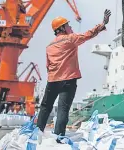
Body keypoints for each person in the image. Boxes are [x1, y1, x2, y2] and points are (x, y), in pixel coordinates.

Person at [37, 9, 111, 143]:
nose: (70, 27)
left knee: (45, 107)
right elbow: (88, 34)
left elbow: (48, 66)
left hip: (52, 80)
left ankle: (37, 134)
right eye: (68, 25)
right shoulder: (70, 39)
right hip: (68, 80)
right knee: (63, 110)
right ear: (62, 28)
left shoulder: (49, 46)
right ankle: (58, 138)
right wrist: (102, 24)